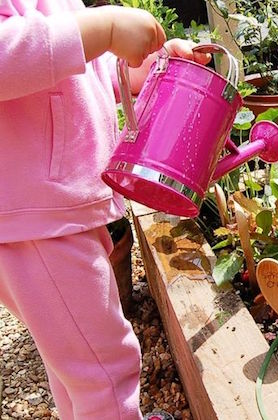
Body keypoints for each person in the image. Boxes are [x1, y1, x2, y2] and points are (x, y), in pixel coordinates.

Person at [0, 1, 211, 419]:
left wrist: (149, 63)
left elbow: (84, 73)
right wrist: (105, 26)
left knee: (77, 361)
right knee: (105, 370)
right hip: (39, 219)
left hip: (52, 212)